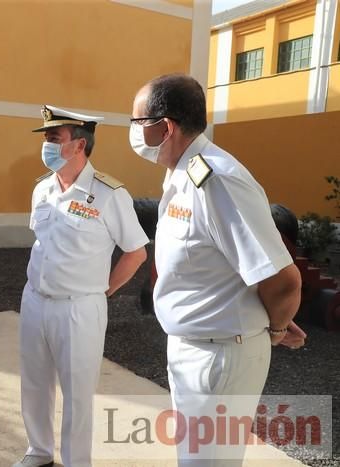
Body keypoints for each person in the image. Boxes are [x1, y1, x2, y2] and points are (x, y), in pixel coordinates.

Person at [129, 73, 305, 465]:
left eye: (137, 123)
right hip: (198, 349)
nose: (133, 132)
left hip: (220, 356)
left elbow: (283, 281)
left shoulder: (217, 180)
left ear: (165, 127)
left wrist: (274, 327)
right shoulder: (183, 173)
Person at [14, 105, 149, 467]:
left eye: (53, 138)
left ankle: (76, 462)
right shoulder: (42, 188)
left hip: (79, 309)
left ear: (79, 145)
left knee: (77, 394)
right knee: (33, 384)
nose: (46, 144)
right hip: (35, 301)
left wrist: (103, 290)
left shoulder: (109, 194)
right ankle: (38, 452)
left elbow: (136, 253)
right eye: (46, 137)